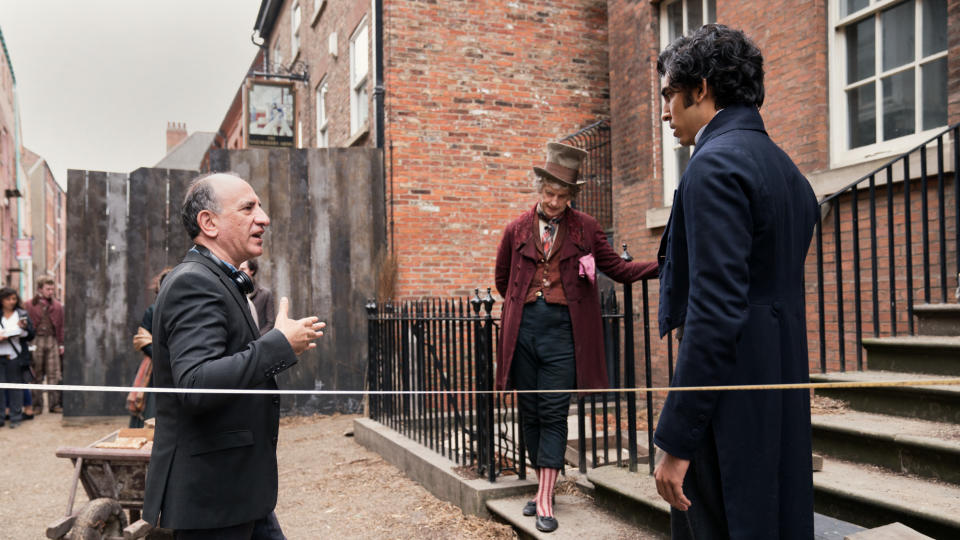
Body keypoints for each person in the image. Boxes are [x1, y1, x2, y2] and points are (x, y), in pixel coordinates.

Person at [652, 24, 818, 539]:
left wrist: (677, 440)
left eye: (668, 94)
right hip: (780, 382)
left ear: (700, 88)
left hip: (728, 401)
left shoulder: (714, 165)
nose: (664, 112)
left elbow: (716, 312)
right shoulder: (787, 169)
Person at [142, 172, 326, 539]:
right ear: (208, 223)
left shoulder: (218, 278)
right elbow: (196, 385)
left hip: (238, 492)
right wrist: (279, 344)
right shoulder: (194, 282)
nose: (264, 217)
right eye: (248, 208)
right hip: (212, 499)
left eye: (259, 206)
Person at [494, 142, 659, 533]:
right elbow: (502, 281)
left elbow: (618, 269)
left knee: (553, 413)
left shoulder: (586, 228)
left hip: (564, 336)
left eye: (562, 196)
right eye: (548, 194)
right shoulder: (516, 229)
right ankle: (540, 488)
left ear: (572, 196)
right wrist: (524, 305)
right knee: (530, 414)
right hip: (524, 335)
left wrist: (662, 266)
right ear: (539, 190)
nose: (553, 202)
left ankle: (547, 498)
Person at [128, 267, 173, 428]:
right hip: (155, 370)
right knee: (150, 411)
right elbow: (142, 339)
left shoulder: (184, 310)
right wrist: (161, 356)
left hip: (178, 367)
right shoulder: (152, 311)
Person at [24, 276, 65, 414]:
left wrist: (60, 343)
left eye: (52, 289)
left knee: (54, 373)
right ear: (40, 289)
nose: (51, 292)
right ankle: (37, 405)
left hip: (52, 340)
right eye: (48, 289)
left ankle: (55, 404)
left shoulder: (57, 306)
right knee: (36, 374)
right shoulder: (29, 305)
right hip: (36, 340)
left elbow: (60, 326)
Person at [0, 287, 36, 428]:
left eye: (14, 299)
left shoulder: (21, 314)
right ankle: (1, 417)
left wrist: (24, 328)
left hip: (14, 356)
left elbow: (31, 334)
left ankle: (16, 417)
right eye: (8, 299)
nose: (11, 302)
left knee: (16, 388)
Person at [239, 258, 276, 335]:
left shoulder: (265, 294)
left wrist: (257, 339)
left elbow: (270, 323)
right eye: (238, 269)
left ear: (252, 270)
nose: (239, 272)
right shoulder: (234, 292)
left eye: (243, 269)